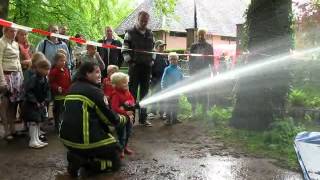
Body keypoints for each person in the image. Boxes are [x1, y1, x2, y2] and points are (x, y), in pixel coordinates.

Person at [59, 62, 129, 177]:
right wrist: (125, 118)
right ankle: (86, 163)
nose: (100, 75)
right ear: (87, 73)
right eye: (96, 72)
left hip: (66, 139)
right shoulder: (94, 91)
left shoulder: (72, 87)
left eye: (100, 72)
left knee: (96, 145)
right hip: (84, 141)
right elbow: (110, 119)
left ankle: (77, 156)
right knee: (116, 156)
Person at [122, 11, 154, 127]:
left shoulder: (151, 33)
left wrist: (152, 61)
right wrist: (131, 63)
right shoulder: (129, 33)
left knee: (145, 94)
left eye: (146, 21)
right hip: (134, 68)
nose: (144, 23)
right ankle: (131, 118)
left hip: (147, 68)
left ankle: (143, 118)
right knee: (132, 93)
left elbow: (153, 50)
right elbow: (124, 50)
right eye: (142, 20)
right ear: (138, 19)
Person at [0, 27, 24, 141]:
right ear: (5, 31)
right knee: (4, 104)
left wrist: (21, 77)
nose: (14, 33)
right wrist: (2, 80)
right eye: (11, 31)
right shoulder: (1, 42)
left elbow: (18, 61)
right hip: (5, 75)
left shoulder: (15, 43)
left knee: (14, 104)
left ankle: (13, 128)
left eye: (15, 31)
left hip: (16, 76)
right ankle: (6, 131)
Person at [22, 59, 51, 148]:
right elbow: (28, 91)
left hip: (39, 104)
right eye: (46, 69)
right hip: (31, 105)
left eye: (48, 69)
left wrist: (45, 100)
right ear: (39, 68)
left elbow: (47, 91)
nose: (47, 71)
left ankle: (36, 139)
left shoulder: (44, 79)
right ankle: (32, 141)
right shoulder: (33, 79)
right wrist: (35, 101)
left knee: (37, 121)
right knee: (33, 122)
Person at [110, 72, 135, 159]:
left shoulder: (127, 91)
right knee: (122, 134)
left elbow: (132, 99)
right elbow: (114, 108)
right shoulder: (115, 94)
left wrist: (130, 102)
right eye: (123, 82)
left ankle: (125, 147)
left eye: (126, 82)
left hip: (128, 118)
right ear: (116, 84)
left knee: (128, 133)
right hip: (120, 119)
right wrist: (125, 113)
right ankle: (121, 149)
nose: (126, 84)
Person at [189, 29, 214, 114]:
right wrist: (191, 72)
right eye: (199, 34)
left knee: (205, 91)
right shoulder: (193, 46)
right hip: (195, 72)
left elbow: (212, 60)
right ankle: (193, 111)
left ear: (205, 35)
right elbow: (190, 60)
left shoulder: (209, 46)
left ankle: (205, 111)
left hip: (205, 72)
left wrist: (213, 72)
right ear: (197, 35)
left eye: (202, 34)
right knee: (193, 91)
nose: (201, 36)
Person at [48, 52, 71, 131]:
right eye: (61, 60)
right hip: (58, 95)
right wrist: (57, 87)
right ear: (56, 61)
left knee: (65, 110)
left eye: (64, 61)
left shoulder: (66, 70)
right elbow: (51, 82)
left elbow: (69, 80)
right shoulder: (54, 71)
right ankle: (57, 126)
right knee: (58, 110)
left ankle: (64, 124)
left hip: (66, 94)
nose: (63, 62)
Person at [161, 52, 183, 125]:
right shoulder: (167, 69)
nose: (173, 61)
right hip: (168, 91)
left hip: (176, 91)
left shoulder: (179, 69)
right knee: (168, 105)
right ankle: (168, 119)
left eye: (175, 59)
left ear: (177, 60)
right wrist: (164, 88)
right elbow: (163, 80)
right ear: (169, 60)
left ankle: (175, 118)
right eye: (171, 59)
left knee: (175, 104)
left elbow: (181, 78)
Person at [149, 40, 168, 119]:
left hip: (163, 79)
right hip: (154, 79)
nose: (162, 48)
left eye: (163, 46)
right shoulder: (153, 56)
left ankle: (162, 112)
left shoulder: (165, 56)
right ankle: (153, 112)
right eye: (161, 46)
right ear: (156, 47)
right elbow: (150, 67)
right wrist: (150, 77)